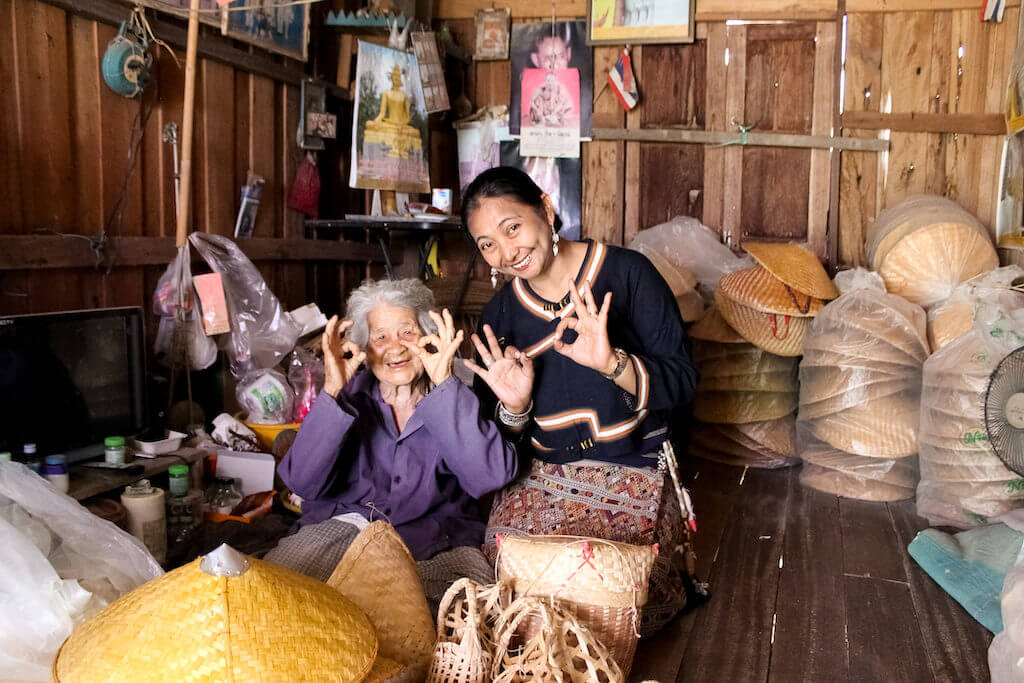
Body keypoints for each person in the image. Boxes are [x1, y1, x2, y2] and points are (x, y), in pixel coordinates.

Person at [460, 166, 700, 635]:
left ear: (546, 210)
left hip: (633, 466)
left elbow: (683, 381)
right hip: (542, 476)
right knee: (514, 599)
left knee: (610, 593)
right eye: (488, 243)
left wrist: (613, 364)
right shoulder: (501, 315)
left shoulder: (629, 274)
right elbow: (495, 442)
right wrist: (515, 407)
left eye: (513, 228)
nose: (507, 252)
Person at [265, 279, 518, 608]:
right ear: (363, 347)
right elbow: (301, 481)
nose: (395, 347)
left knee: (449, 618)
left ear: (427, 336)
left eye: (407, 332)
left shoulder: (458, 394)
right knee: (278, 601)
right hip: (340, 530)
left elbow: (490, 476)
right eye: (380, 336)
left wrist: (443, 385)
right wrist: (331, 391)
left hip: (433, 543)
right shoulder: (348, 395)